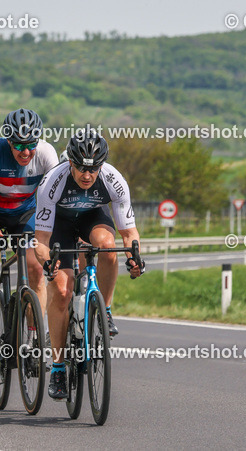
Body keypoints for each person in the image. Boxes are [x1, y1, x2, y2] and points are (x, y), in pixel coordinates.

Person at [34, 128, 144, 399]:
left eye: (93, 168)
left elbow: (129, 234)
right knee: (61, 291)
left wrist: (134, 257)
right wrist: (49, 264)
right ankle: (58, 367)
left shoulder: (113, 180)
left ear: (101, 165)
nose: (87, 175)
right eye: (81, 168)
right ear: (69, 162)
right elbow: (41, 240)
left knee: (108, 247)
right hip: (58, 224)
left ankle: (104, 309)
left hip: (92, 216)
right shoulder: (52, 182)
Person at [0, 108, 58, 359]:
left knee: (36, 267)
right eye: (19, 144)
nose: (26, 152)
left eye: (31, 145)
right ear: (8, 140)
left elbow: (57, 197)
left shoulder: (47, 154)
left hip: (26, 216)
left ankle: (36, 333)